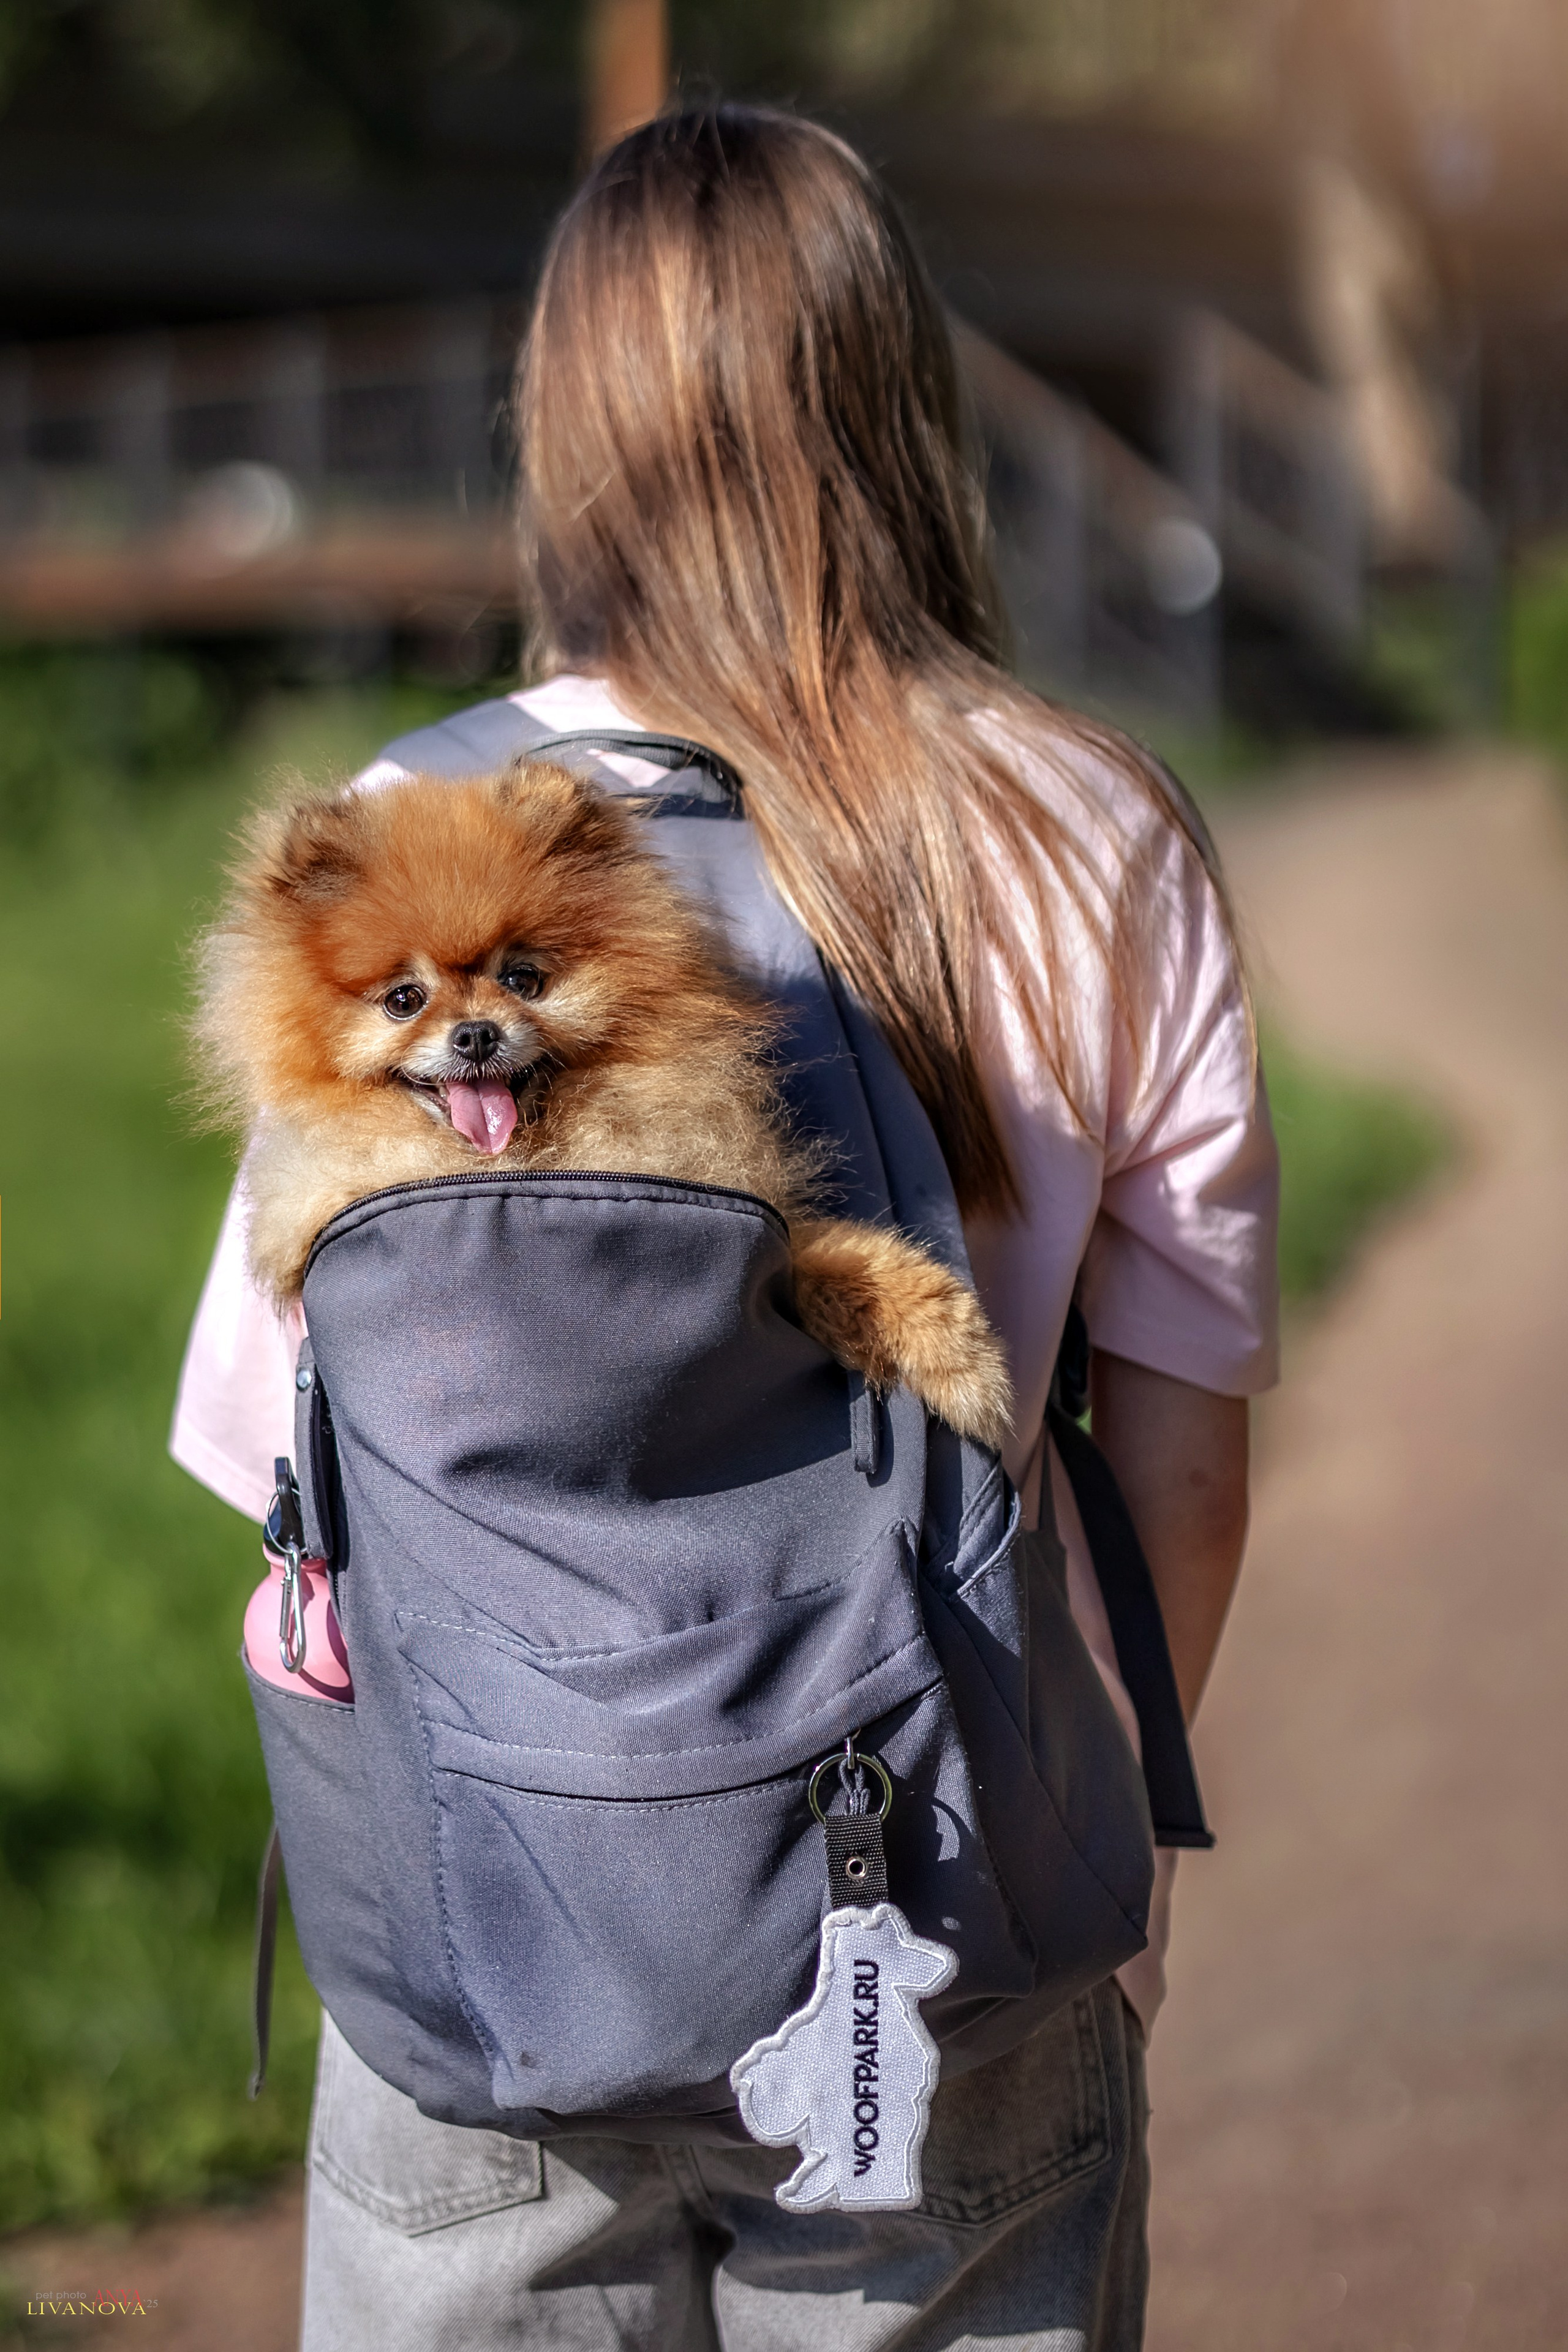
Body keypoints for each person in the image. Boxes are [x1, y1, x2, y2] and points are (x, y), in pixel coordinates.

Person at [172, 104, 1277, 2352]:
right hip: (940, 1905)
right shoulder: (1096, 830)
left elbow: (273, 1456)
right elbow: (1183, 1466)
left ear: (563, 430)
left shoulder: (416, 825)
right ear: (897, 392)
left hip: (488, 1934)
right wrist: (1090, 1858)